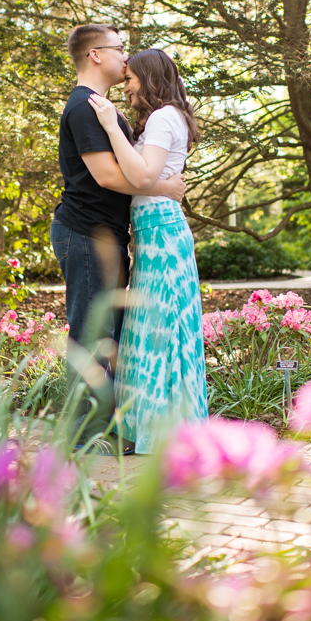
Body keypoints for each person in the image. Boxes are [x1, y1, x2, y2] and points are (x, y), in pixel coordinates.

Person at [50, 24, 187, 453]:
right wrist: (164, 187)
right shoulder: (85, 107)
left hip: (107, 236)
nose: (126, 59)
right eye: (119, 49)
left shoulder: (105, 109)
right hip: (85, 232)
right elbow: (109, 176)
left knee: (108, 333)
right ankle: (88, 438)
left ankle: (104, 429)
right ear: (95, 55)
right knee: (92, 333)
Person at [88, 48, 208, 453]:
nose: (127, 87)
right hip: (154, 232)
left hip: (163, 233)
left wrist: (109, 125)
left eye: (131, 79)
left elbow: (142, 175)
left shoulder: (162, 117)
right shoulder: (161, 118)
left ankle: (169, 436)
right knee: (150, 334)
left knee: (161, 334)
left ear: (149, 77)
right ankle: (152, 430)